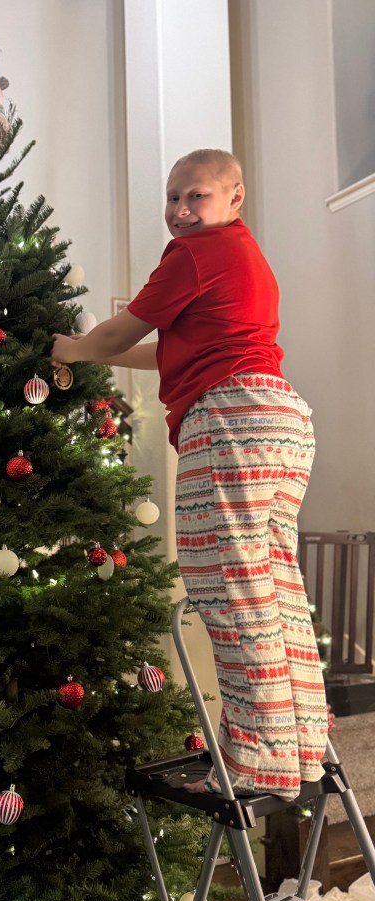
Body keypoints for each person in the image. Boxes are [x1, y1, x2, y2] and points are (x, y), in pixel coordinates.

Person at [50, 149, 328, 801]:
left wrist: (69, 348)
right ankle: (301, 746)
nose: (180, 211)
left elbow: (120, 333)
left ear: (234, 196)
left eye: (195, 196)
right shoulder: (242, 257)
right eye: (172, 198)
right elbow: (166, 350)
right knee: (273, 582)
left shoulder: (196, 253)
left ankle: (255, 759)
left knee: (228, 586)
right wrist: (92, 357)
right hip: (281, 419)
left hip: (231, 419)